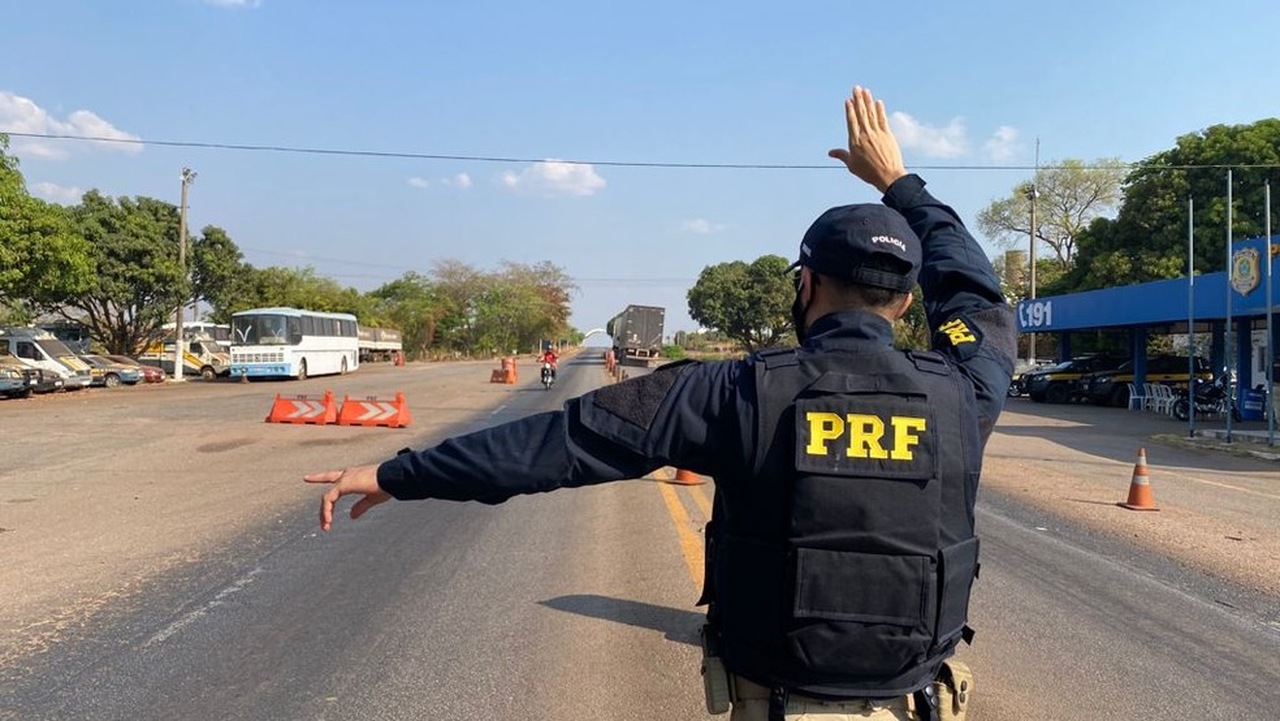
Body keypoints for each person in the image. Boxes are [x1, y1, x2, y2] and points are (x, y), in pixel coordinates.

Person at [305, 86, 1015, 721]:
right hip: (918, 704)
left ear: (805, 286)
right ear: (907, 300)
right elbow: (979, 295)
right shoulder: (964, 393)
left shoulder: (737, 390)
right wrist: (900, 182)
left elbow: (555, 446)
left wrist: (399, 473)